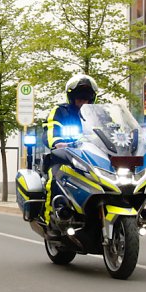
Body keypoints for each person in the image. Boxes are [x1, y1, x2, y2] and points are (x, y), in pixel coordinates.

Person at [43, 74, 98, 226]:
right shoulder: (60, 111)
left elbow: (112, 131)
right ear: (72, 98)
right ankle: (51, 221)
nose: (83, 102)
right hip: (66, 157)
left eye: (86, 99)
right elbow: (50, 129)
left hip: (93, 160)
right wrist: (57, 142)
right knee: (53, 179)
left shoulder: (99, 114)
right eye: (79, 99)